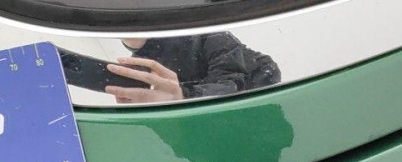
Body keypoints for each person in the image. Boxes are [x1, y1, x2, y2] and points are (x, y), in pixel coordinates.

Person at [107, 34, 280, 104]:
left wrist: (183, 97)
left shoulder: (208, 33)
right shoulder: (140, 66)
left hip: (261, 99)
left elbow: (231, 84)